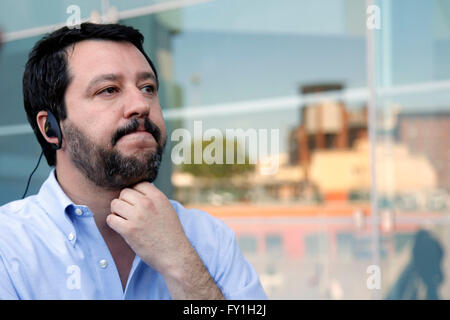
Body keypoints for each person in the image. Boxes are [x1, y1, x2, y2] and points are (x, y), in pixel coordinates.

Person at [0, 22, 267, 300]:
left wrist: (180, 262)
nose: (141, 104)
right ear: (51, 129)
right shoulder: (8, 248)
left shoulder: (208, 238)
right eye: (109, 90)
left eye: (148, 87)